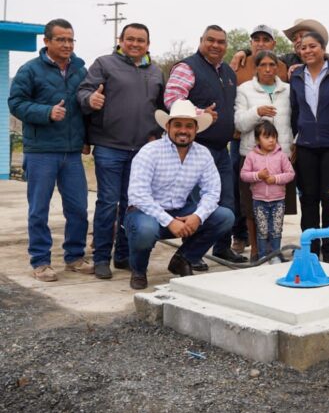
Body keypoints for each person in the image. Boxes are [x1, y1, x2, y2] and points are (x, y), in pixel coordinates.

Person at [77, 23, 165, 280]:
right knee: (108, 203)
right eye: (131, 39)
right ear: (121, 40)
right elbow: (83, 91)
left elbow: (161, 109)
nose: (136, 44)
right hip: (109, 146)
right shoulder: (104, 64)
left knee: (132, 204)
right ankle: (101, 258)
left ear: (148, 44)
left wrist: (156, 135)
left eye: (141, 40)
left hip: (142, 151)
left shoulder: (157, 72)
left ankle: (123, 255)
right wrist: (89, 99)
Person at [8, 18, 93, 282]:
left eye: (70, 39)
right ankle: (41, 262)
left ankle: (75, 257)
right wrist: (46, 112)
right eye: (61, 39)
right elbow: (16, 103)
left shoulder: (81, 70)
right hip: (41, 151)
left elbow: (84, 109)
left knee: (78, 208)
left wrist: (87, 138)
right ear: (46, 41)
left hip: (71, 152)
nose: (67, 44)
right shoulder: (30, 70)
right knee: (39, 209)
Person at [124, 100, 235, 290]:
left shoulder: (203, 154)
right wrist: (169, 221)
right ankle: (139, 270)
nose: (183, 130)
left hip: (182, 210)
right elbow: (138, 194)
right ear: (167, 126)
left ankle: (183, 259)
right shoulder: (150, 151)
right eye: (177, 125)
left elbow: (212, 191)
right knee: (145, 231)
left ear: (196, 129)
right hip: (146, 213)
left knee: (225, 217)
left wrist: (197, 216)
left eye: (188, 126)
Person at [164, 25, 246, 265]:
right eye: (210, 40)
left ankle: (221, 248)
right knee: (199, 205)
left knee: (226, 204)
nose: (216, 45)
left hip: (222, 149)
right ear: (201, 41)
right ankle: (192, 254)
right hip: (196, 149)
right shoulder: (187, 67)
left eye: (221, 42)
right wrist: (199, 114)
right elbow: (172, 100)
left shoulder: (229, 73)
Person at [235, 50, 294, 259]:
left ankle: (274, 251)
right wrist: (257, 112)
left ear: (278, 67)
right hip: (253, 155)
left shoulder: (287, 89)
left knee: (277, 206)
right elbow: (239, 123)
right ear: (256, 67)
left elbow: (295, 120)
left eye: (272, 64)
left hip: (281, 155)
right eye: (263, 65)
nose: (268, 69)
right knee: (253, 208)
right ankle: (256, 250)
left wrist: (291, 146)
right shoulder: (244, 90)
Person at [290, 31, 329, 263]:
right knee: (308, 199)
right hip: (306, 145)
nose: (308, 51)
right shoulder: (296, 75)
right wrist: (294, 140)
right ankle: (310, 251)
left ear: (323, 48)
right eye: (303, 47)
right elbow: (294, 111)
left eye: (313, 46)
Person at [240, 121, 295, 261]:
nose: (271, 140)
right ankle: (263, 256)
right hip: (259, 201)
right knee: (262, 230)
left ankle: (275, 255)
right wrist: (258, 175)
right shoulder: (251, 156)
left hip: (278, 201)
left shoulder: (281, 155)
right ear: (258, 139)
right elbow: (244, 174)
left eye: (273, 137)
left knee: (276, 229)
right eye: (267, 137)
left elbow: (290, 174)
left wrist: (275, 179)